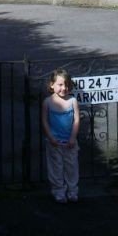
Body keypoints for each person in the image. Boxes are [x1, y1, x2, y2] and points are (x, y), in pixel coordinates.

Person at [41, 67, 80, 203]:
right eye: (60, 84)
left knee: (71, 167)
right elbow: (44, 121)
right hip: (54, 142)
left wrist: (73, 138)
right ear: (52, 85)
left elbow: (76, 120)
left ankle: (72, 191)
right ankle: (58, 191)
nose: (64, 88)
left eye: (67, 85)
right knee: (55, 168)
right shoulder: (47, 102)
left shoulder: (72, 101)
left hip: (70, 142)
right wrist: (51, 137)